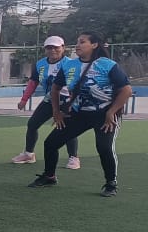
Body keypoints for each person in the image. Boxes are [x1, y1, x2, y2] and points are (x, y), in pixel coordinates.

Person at [28, 30, 131, 197]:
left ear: (94, 45)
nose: (78, 45)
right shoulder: (70, 65)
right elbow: (55, 89)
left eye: (82, 42)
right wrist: (56, 112)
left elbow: (126, 90)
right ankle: (49, 176)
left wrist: (111, 112)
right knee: (51, 143)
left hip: (104, 115)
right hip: (78, 114)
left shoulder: (108, 65)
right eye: (77, 42)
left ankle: (111, 183)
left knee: (104, 147)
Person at [14, 36, 80, 168]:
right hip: (50, 99)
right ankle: (28, 154)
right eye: (49, 47)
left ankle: (73, 157)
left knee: (67, 127)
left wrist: (71, 104)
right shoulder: (40, 64)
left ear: (63, 48)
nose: (52, 50)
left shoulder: (71, 64)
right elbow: (33, 82)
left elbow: (76, 84)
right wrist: (24, 99)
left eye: (56, 47)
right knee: (32, 124)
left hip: (67, 100)